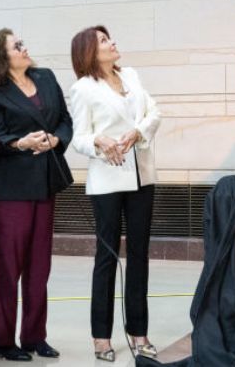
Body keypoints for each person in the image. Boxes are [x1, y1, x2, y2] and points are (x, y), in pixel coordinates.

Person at [0, 29, 74, 361]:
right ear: (1, 57)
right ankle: (1, 341)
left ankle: (34, 336)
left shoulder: (45, 77)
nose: (24, 47)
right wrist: (21, 143)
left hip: (45, 181)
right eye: (16, 45)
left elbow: (65, 120)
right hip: (12, 187)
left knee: (39, 265)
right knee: (9, 265)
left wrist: (56, 140)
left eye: (22, 42)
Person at [68, 25, 162, 361]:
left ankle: (139, 333)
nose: (112, 43)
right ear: (89, 52)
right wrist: (98, 141)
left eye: (110, 38)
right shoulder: (82, 88)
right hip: (107, 180)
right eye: (104, 41)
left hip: (142, 175)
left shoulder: (132, 76)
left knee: (139, 255)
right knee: (107, 257)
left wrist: (138, 131)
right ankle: (101, 337)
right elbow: (78, 137)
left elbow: (155, 113)